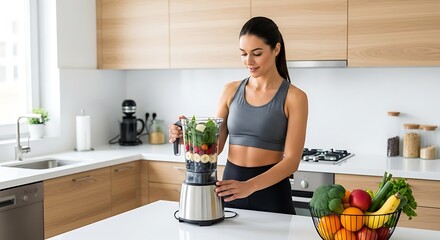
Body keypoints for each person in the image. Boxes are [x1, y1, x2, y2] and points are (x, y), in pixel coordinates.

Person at [168, 16, 308, 215]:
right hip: (229, 190)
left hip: (272, 194)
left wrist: (249, 186)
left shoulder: (295, 97)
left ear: (276, 49)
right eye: (243, 54)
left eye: (257, 53)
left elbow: (292, 161)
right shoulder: (230, 90)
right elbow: (214, 146)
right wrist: (187, 137)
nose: (248, 61)